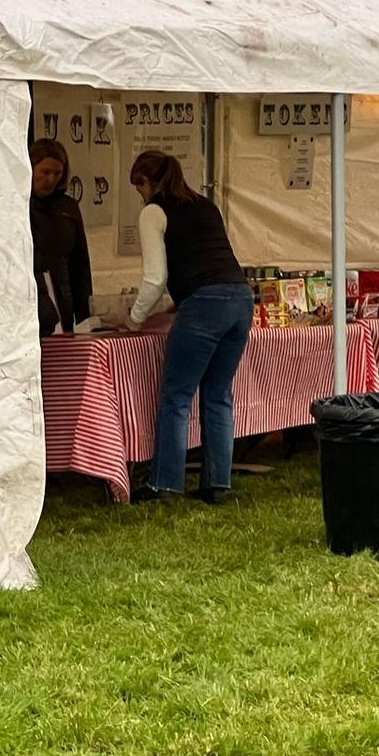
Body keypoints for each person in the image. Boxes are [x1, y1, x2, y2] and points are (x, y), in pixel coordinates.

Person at [124, 150, 252, 504]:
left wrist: (134, 319)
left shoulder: (154, 211)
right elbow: (206, 259)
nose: (140, 194)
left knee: (176, 397)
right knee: (218, 394)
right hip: (241, 299)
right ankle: (217, 484)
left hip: (204, 305)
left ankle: (163, 484)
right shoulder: (206, 205)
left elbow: (154, 278)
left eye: (139, 186)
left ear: (147, 182)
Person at [29, 138, 92, 335]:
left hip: (63, 296)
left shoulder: (69, 208)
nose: (51, 179)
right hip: (31, 297)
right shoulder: (19, 205)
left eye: (57, 173)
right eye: (45, 172)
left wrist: (84, 315)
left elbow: (80, 264)